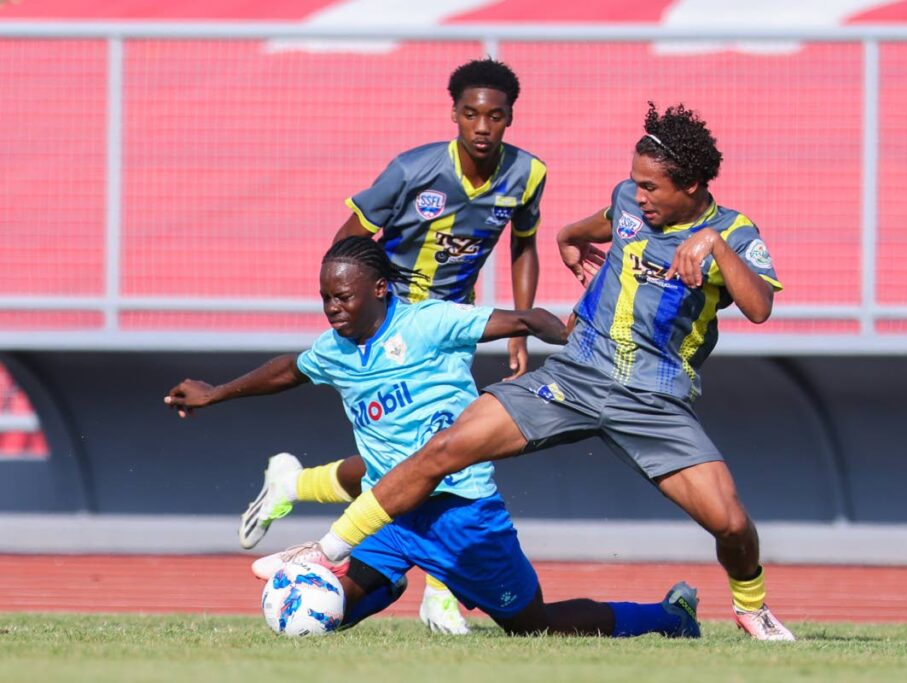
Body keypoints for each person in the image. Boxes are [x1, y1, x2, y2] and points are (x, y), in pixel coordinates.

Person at [297, 103, 797, 641]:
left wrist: (714, 245)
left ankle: (752, 610)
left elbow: (760, 306)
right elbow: (600, 224)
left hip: (652, 399)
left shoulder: (734, 232)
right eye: (636, 183)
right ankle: (325, 550)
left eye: (652, 187)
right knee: (445, 448)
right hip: (576, 374)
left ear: (693, 184)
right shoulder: (630, 201)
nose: (640, 195)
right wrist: (568, 239)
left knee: (731, 524)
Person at [164, 236, 701, 639]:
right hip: (389, 514)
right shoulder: (336, 348)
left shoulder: (430, 323)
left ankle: (668, 617)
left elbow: (521, 319)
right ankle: (385, 577)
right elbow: (288, 370)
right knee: (327, 614)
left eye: (342, 297)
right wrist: (216, 393)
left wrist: (569, 337)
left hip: (462, 515)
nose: (332, 309)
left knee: (535, 626)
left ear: (379, 290)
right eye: (325, 298)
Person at [243, 57, 547, 634]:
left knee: (430, 454)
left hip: (455, 321)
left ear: (509, 119)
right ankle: (440, 592)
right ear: (454, 114)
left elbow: (523, 245)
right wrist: (363, 298)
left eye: (496, 116)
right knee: (440, 453)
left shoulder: (528, 174)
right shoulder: (413, 171)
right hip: (400, 320)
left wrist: (523, 327)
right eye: (470, 114)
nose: (482, 127)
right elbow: (349, 236)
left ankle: (297, 485)